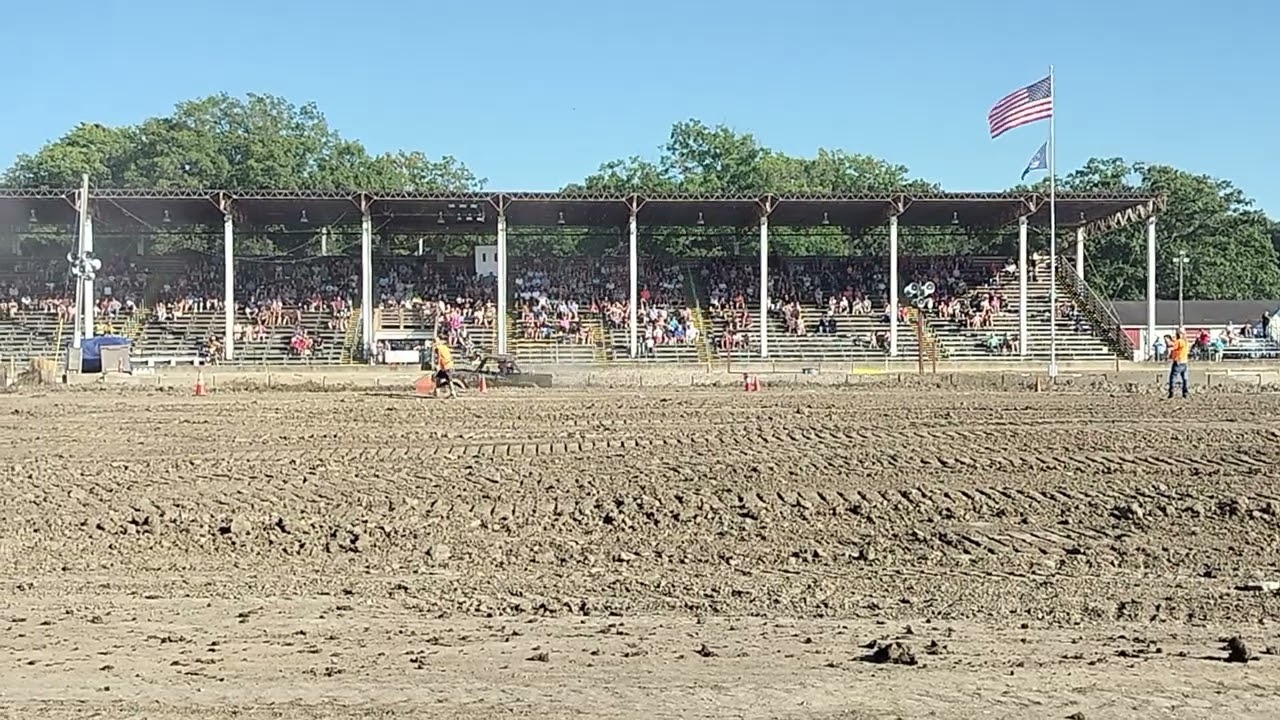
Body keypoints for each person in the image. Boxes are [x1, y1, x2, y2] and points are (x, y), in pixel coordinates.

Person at [1167, 329, 1190, 399]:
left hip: (1178, 362)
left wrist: (1168, 341)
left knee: (1173, 377)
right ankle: (1185, 392)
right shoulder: (1186, 342)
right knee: (1185, 378)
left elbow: (1171, 346)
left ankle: (1171, 391)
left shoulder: (1179, 341)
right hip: (1184, 362)